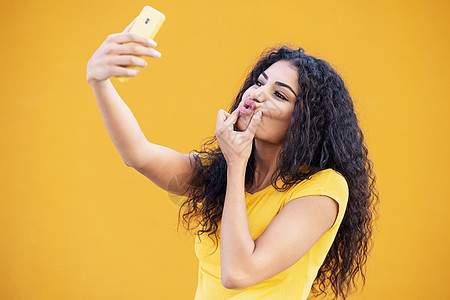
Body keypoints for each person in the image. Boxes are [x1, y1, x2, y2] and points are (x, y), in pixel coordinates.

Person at [86, 17, 379, 300]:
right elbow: (138, 154)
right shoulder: (218, 173)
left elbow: (238, 273)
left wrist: (237, 164)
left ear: (305, 121)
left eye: (279, 94)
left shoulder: (324, 189)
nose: (258, 93)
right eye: (260, 82)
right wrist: (99, 82)